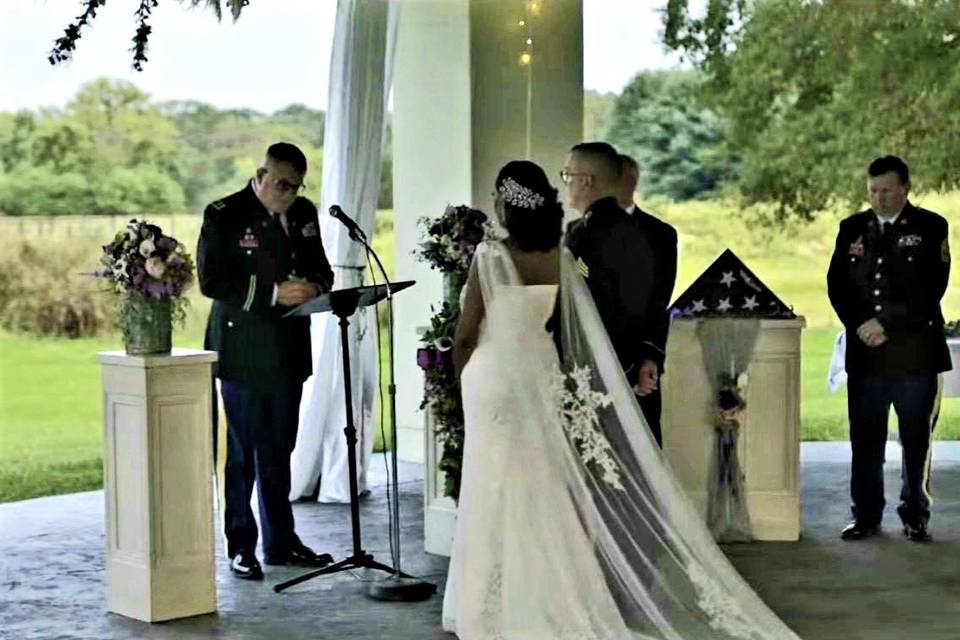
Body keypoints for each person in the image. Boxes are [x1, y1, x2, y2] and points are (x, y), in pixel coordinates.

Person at [442, 160, 800, 639]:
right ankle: (553, 593)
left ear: (506, 201)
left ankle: (488, 604)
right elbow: (564, 325)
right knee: (543, 483)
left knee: (492, 482)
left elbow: (465, 336)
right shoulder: (559, 254)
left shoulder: (490, 257)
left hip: (494, 378)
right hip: (542, 371)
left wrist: (458, 375)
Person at [198, 142, 335, 580]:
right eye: (281, 184)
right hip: (243, 348)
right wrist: (275, 293)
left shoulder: (304, 213)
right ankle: (242, 546)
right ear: (261, 175)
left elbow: (323, 270)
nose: (288, 194)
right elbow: (212, 279)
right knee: (243, 453)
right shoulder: (225, 213)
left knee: (280, 448)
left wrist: (312, 287)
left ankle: (281, 542)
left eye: (296, 187)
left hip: (288, 348)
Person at [827, 154, 951, 543]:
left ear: (904, 189)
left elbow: (932, 286)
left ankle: (915, 513)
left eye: (886, 191)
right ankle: (866, 514)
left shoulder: (931, 227)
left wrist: (885, 323)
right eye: (873, 191)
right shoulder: (852, 228)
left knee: (915, 440)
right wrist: (860, 322)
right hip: (867, 355)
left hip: (914, 353)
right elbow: (838, 283)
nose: (879, 199)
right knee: (865, 439)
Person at [559, 142, 662, 444]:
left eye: (569, 175)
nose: (567, 184)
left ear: (587, 180)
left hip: (603, 371)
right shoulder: (594, 229)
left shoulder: (601, 234)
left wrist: (625, 366)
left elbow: (626, 306)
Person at [616, 153, 678, 448]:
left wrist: (649, 357)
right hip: (592, 356)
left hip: (639, 355)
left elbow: (658, 301)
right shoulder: (578, 232)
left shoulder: (660, 235)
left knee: (644, 443)